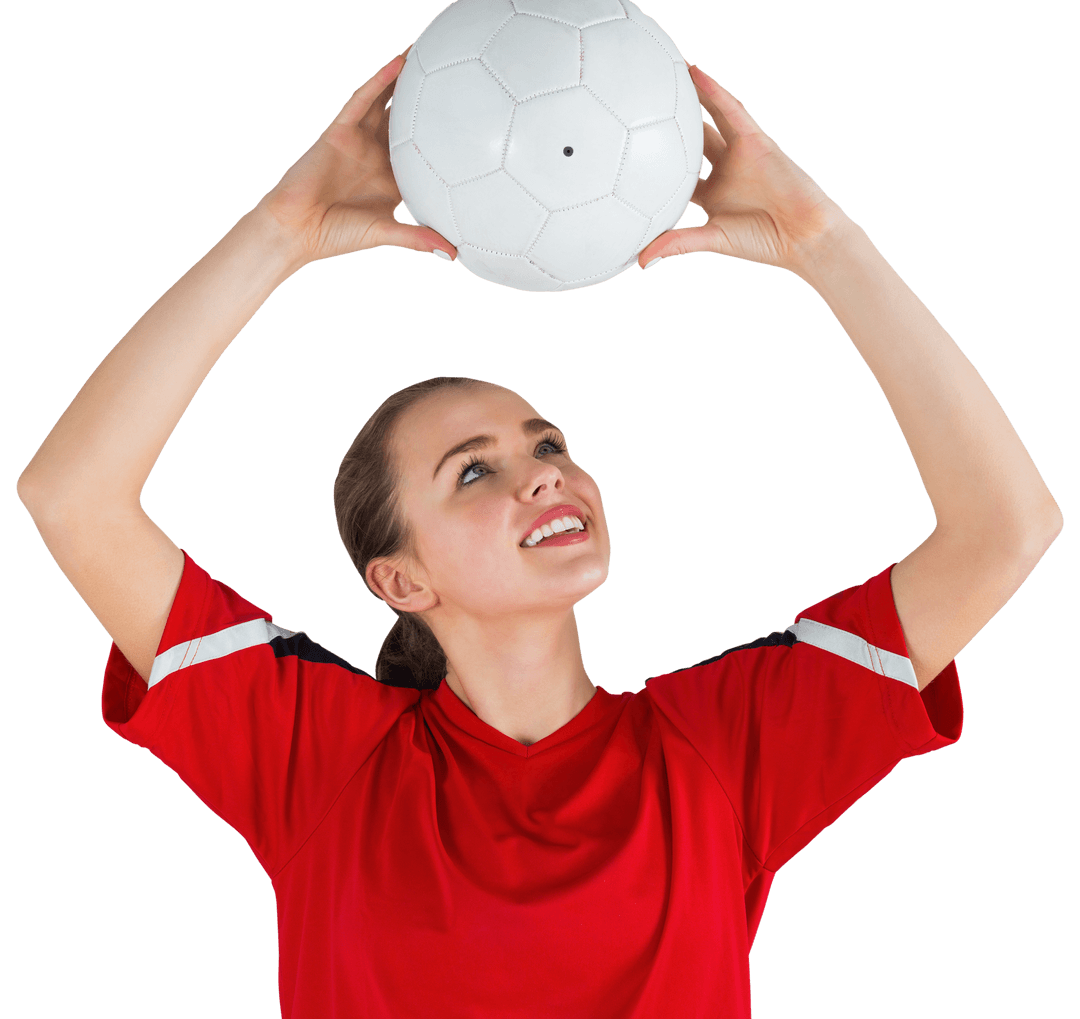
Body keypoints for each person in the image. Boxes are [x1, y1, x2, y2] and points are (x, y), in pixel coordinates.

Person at [15, 46, 1062, 1019]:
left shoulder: (722, 749)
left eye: (547, 441)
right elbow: (70, 496)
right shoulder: (318, 756)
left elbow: (1010, 526)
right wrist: (281, 232)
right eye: (474, 470)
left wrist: (823, 244)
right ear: (400, 579)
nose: (545, 471)